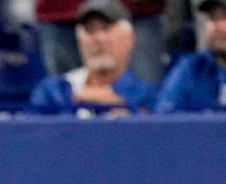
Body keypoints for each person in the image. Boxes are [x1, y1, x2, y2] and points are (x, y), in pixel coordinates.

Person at [27, 0, 156, 115]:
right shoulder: (53, 92)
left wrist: (117, 107)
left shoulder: (147, 97)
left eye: (107, 28)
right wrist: (72, 108)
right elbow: (31, 135)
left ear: (129, 38)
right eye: (90, 30)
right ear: (80, 41)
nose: (98, 39)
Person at [35, 0, 167, 86]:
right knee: (61, 100)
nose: (99, 38)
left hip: (138, 11)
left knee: (147, 110)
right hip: (59, 11)